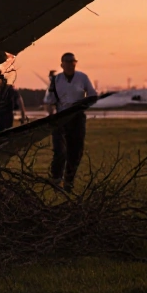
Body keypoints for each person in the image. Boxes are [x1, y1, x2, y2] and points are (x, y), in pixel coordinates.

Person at [42, 52, 97, 190]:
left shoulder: (82, 77)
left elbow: (93, 95)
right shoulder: (56, 80)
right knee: (60, 151)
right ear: (62, 64)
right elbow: (48, 102)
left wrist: (82, 104)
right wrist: (52, 114)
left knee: (76, 151)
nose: (70, 65)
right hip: (61, 118)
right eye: (67, 62)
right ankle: (56, 180)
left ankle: (69, 181)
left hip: (77, 117)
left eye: (73, 62)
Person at [0, 68, 27, 133]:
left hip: (7, 119)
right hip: (0, 119)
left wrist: (23, 117)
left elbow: (19, 100)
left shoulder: (9, 89)